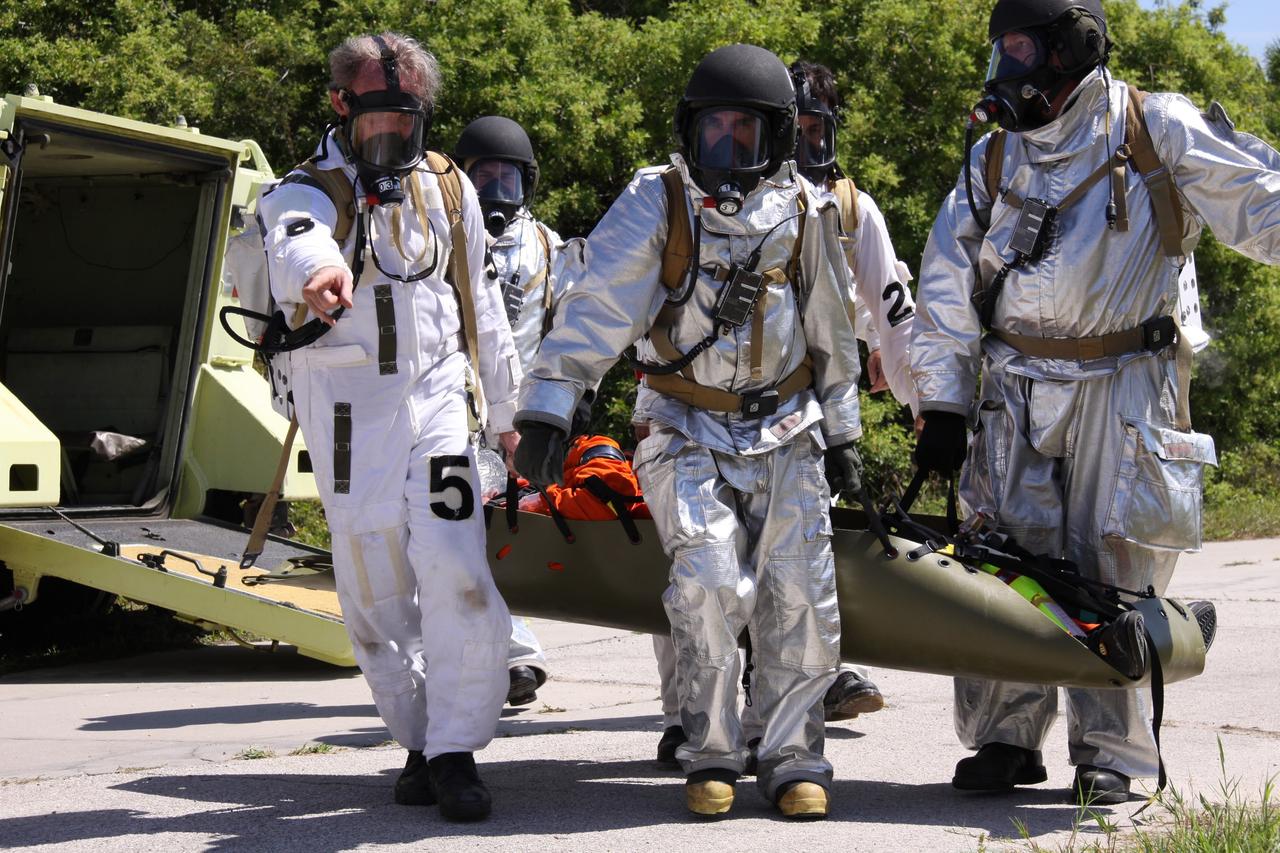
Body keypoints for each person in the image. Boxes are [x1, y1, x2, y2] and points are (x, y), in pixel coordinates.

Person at [910, 0, 1280, 804]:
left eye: (1019, 48)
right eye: (999, 49)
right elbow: (944, 285)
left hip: (1126, 388)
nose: (1004, 67)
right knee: (997, 563)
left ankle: (1115, 754)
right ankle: (1005, 736)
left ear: (1067, 48)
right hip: (1014, 390)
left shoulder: (1154, 129)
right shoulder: (992, 159)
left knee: (1112, 567)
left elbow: (1261, 203)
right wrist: (941, 405)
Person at [515, 44, 865, 819]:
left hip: (787, 424)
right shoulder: (658, 200)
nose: (728, 149)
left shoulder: (806, 208)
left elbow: (832, 331)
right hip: (682, 422)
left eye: (746, 134)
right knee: (708, 585)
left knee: (799, 596)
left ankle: (794, 754)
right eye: (715, 131)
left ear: (776, 138)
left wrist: (844, 434)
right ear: (690, 131)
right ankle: (712, 749)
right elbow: (597, 304)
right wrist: (548, 405)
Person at [256, 32, 522, 821]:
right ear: (342, 106)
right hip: (349, 420)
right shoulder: (303, 190)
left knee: (458, 569)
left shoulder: (447, 189)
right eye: (376, 120)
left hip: (438, 404)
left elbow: (483, 307)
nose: (391, 137)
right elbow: (292, 235)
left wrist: (508, 415)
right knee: (374, 598)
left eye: (405, 120)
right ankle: (417, 736)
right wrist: (318, 273)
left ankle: (454, 750)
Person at [455, 115, 566, 708]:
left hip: (517, 425)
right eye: (484, 178)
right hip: (453, 414)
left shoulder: (548, 246)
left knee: (506, 539)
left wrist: (560, 406)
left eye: (508, 179)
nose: (496, 192)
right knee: (458, 538)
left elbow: (570, 327)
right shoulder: (444, 238)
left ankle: (510, 651)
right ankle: (510, 653)